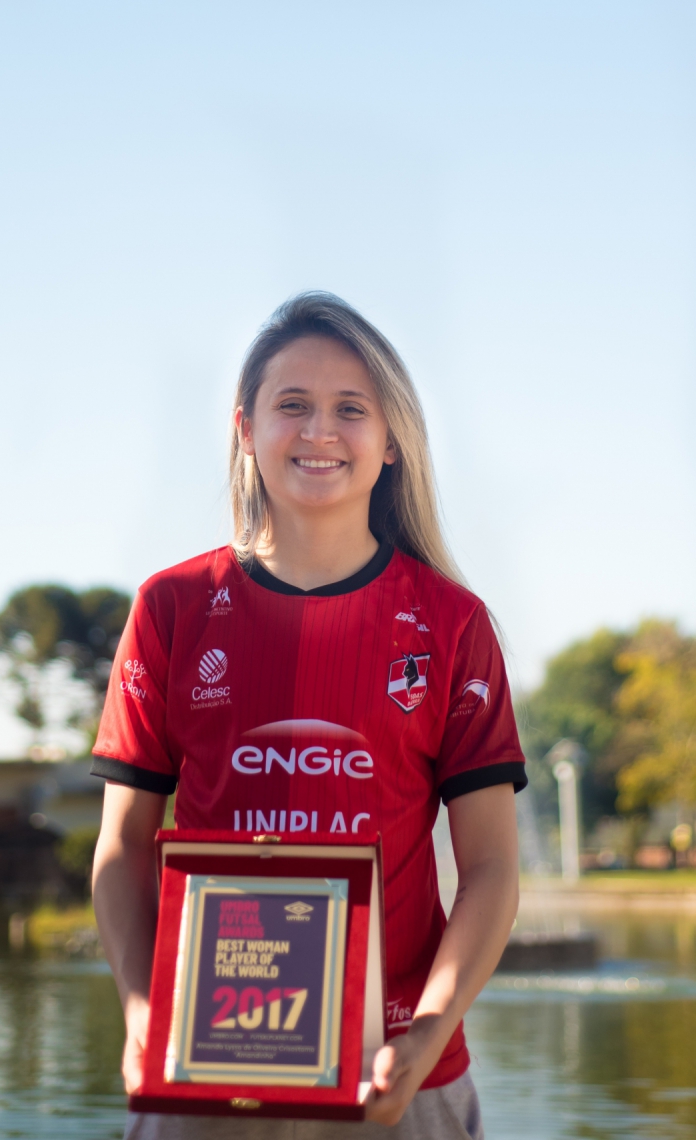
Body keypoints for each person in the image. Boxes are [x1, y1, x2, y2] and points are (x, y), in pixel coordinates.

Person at [91, 292, 526, 1140]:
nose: (319, 431)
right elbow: (121, 847)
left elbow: (492, 870)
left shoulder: (452, 624)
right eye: (292, 405)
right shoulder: (173, 606)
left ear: (391, 439)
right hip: (207, 1063)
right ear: (247, 428)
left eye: (350, 409)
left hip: (401, 1076)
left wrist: (430, 1029)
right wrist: (143, 1011)